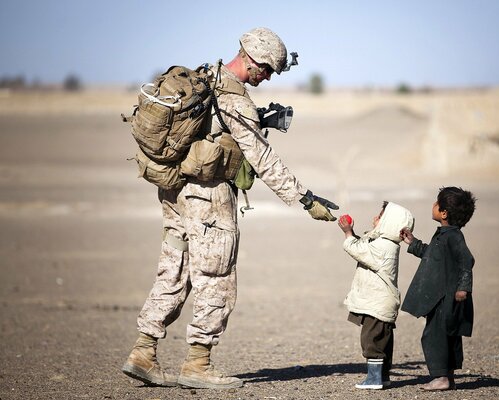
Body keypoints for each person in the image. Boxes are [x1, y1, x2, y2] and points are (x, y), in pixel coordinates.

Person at [121, 27, 339, 390]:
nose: (267, 77)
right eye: (267, 69)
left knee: (174, 269)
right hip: (208, 198)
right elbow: (263, 159)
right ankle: (197, 364)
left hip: (175, 192)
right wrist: (305, 198)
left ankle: (143, 352)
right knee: (216, 277)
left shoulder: (206, 77)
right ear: (251, 59)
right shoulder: (235, 99)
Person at [399, 186, 476, 391]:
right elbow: (432, 255)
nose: (433, 205)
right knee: (446, 334)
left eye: (436, 203)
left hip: (447, 298)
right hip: (441, 297)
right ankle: (447, 377)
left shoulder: (453, 237)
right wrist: (413, 243)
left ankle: (440, 377)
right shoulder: (443, 235)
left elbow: (466, 260)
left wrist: (463, 288)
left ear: (443, 213)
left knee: (435, 336)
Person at [337, 202, 414, 389]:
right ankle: (383, 377)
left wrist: (347, 233)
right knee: (383, 341)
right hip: (380, 302)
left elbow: (358, 250)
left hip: (377, 304)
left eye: (380, 217)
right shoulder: (384, 243)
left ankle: (374, 379)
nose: (375, 219)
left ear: (390, 223)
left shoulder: (384, 246)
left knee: (371, 341)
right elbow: (363, 245)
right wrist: (353, 233)